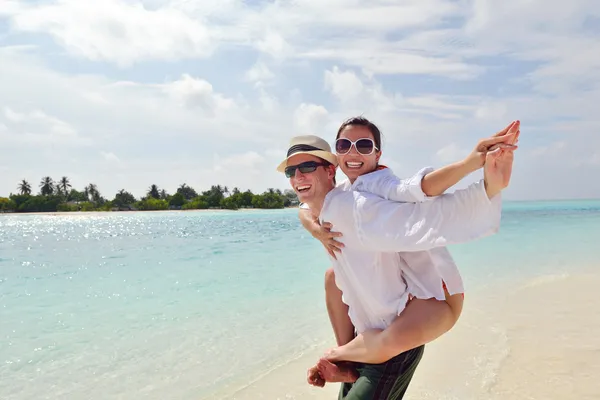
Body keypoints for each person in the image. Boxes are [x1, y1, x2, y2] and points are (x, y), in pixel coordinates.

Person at [277, 127, 518, 399]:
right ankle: (344, 361)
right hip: (371, 337)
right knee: (332, 278)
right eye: (291, 172)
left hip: (398, 335)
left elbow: (427, 205)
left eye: (307, 166)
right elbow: (304, 209)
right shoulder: (344, 194)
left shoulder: (363, 200)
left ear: (330, 170)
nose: (298, 176)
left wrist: (482, 180)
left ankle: (336, 355)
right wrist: (315, 228)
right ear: (338, 156)